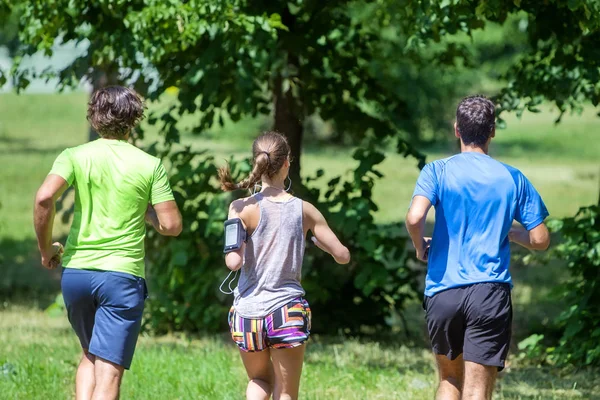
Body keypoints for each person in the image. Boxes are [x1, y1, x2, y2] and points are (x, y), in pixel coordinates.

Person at [33, 86, 182, 400]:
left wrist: (46, 249)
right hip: (121, 278)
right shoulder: (149, 164)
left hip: (76, 275)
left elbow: (45, 196)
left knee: (89, 354)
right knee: (109, 371)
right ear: (133, 120)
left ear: (95, 117)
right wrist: (146, 213)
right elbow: (171, 226)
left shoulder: (73, 156)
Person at [406, 95, 550, 400]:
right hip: (489, 292)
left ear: (457, 129)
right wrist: (514, 234)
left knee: (449, 379)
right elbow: (540, 239)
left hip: (443, 290)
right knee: (477, 391)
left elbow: (415, 216)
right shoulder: (513, 177)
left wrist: (420, 247)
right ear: (492, 131)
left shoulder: (436, 171)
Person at [218, 131, 351, 400]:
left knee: (258, 379)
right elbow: (343, 255)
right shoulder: (305, 210)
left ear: (255, 161)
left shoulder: (240, 207)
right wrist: (323, 245)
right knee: (286, 392)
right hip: (287, 311)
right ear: (287, 163)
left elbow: (233, 261)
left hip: (248, 314)